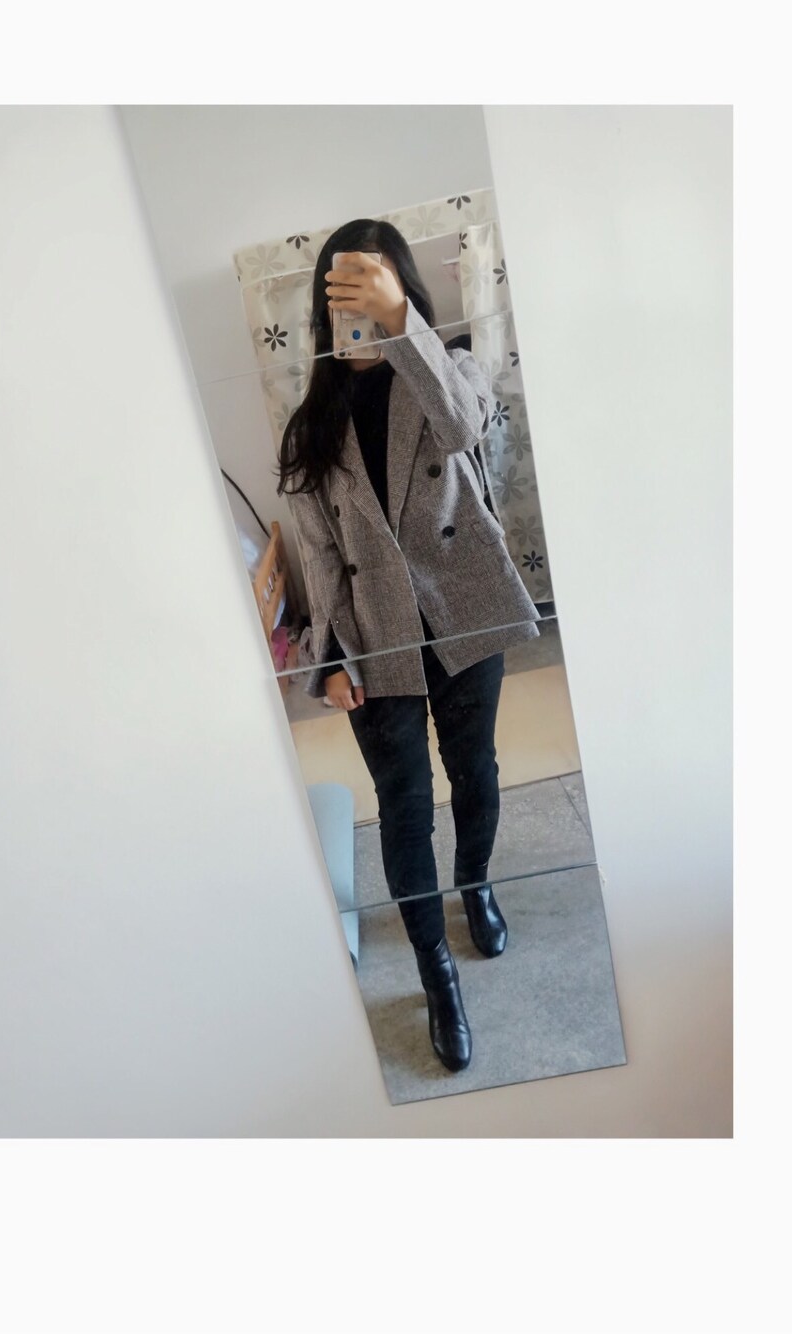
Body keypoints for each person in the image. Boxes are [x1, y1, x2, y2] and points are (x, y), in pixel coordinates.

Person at [278, 219, 540, 1072]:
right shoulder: (309, 426)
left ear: (402, 288)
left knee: (475, 771)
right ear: (323, 307)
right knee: (402, 804)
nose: (359, 302)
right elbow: (320, 552)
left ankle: (477, 883)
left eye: (375, 283)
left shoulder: (450, 366)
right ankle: (435, 970)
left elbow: (464, 428)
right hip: (373, 635)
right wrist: (328, 661)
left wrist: (403, 328)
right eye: (343, 289)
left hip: (463, 609)